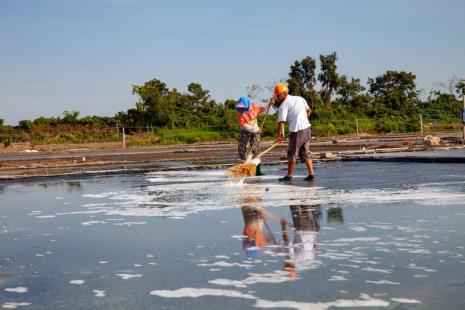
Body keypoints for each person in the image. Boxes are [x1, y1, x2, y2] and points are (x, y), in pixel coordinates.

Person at [269, 83, 315, 182]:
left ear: (284, 93)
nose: (277, 97)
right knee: (305, 152)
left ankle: (289, 176)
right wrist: (302, 121)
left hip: (298, 131)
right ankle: (311, 174)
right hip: (307, 129)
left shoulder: (284, 105)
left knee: (292, 153)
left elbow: (281, 123)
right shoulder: (300, 98)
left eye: (278, 95)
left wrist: (279, 137)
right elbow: (309, 111)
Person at [236, 96, 267, 176]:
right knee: (243, 149)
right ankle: (244, 169)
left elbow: (264, 109)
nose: (242, 110)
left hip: (255, 131)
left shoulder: (254, 107)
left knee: (256, 150)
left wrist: (269, 104)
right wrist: (256, 130)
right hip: (245, 131)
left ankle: (258, 171)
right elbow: (244, 125)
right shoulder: (239, 113)